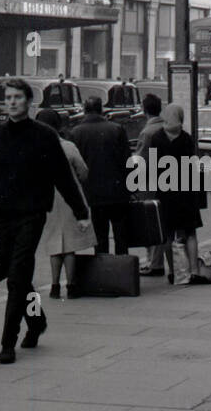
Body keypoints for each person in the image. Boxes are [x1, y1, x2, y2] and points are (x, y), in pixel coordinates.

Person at [0, 78, 91, 364]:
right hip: (3, 215)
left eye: (18, 97)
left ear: (29, 102)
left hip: (31, 214)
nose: (12, 102)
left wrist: (81, 212)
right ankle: (37, 320)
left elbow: (63, 176)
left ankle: (7, 342)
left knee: (17, 276)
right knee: (15, 276)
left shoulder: (44, 136)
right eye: (8, 97)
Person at [144, 102, 211, 285]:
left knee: (168, 233)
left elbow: (152, 167)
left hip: (165, 193)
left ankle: (174, 271)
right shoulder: (186, 138)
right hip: (186, 192)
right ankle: (194, 271)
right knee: (190, 232)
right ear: (180, 118)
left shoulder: (157, 138)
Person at [36, 106, 93, 299]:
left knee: (54, 244)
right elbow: (83, 171)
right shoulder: (68, 147)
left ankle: (54, 286)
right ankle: (71, 285)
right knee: (69, 244)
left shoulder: (35, 148)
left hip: (47, 199)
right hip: (70, 198)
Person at [69, 95, 133, 257]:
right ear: (101, 109)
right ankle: (123, 272)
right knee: (121, 236)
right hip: (118, 192)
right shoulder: (117, 129)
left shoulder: (76, 132)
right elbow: (127, 162)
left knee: (100, 235)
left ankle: (104, 272)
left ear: (84, 111)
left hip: (92, 193)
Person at [134, 93, 168, 275]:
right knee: (162, 223)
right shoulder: (166, 127)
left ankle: (154, 263)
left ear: (144, 109)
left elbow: (141, 161)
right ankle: (156, 261)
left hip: (149, 182)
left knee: (150, 222)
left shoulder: (147, 132)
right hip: (166, 181)